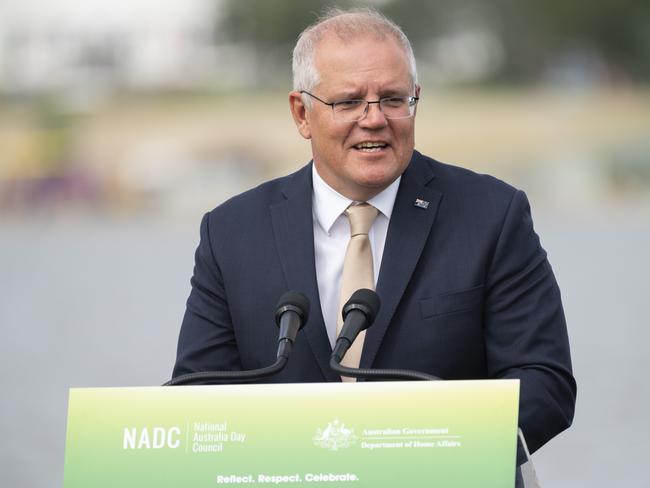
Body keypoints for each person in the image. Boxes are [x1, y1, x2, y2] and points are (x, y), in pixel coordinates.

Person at [172, 8, 576, 456]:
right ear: (301, 114)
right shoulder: (230, 233)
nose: (374, 118)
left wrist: (421, 455)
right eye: (348, 102)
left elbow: (544, 384)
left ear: (414, 101)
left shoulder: (492, 215)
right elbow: (198, 395)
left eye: (392, 99)